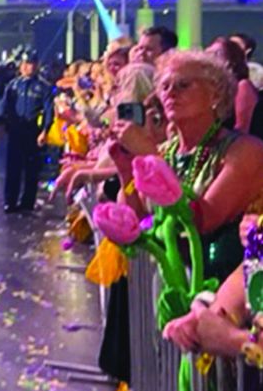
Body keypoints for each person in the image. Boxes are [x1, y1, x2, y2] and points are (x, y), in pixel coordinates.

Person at [109, 49, 263, 283]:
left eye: (183, 85)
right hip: (170, 286)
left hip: (219, 290)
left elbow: (203, 220)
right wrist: (125, 170)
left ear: (215, 95)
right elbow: (135, 217)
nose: (171, 92)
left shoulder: (243, 151)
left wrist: (150, 155)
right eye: (165, 86)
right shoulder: (167, 151)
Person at [0, 50, 53, 213]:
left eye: (32, 63)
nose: (29, 67)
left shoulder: (43, 87)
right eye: (26, 63)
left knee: (31, 169)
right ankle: (10, 201)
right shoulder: (13, 85)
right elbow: (4, 106)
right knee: (13, 168)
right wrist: (1, 125)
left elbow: (49, 110)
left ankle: (27, 202)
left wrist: (45, 131)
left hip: (32, 133)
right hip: (15, 131)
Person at [207, 36, 260, 138]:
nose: (210, 58)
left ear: (231, 60)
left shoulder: (242, 86)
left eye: (216, 54)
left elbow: (242, 129)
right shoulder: (213, 91)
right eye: (207, 53)